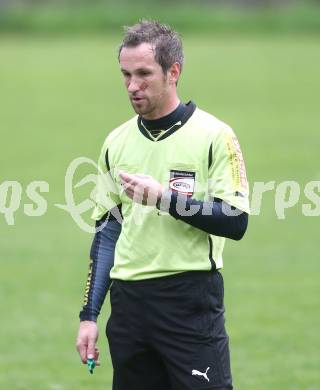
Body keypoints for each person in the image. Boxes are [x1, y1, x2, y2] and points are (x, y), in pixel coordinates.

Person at [76, 19, 250, 390]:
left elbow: (235, 221)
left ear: (174, 72)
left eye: (143, 74)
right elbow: (108, 232)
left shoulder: (214, 136)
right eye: (125, 74)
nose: (132, 86)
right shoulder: (116, 142)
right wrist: (89, 315)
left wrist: (165, 199)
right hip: (129, 307)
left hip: (188, 301)